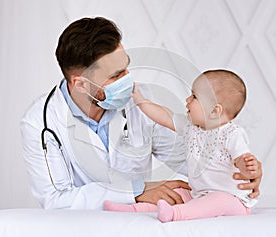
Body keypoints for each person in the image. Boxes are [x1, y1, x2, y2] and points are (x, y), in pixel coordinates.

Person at [20, 17, 262, 210]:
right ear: (81, 84)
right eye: (115, 75)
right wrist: (136, 191)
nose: (127, 79)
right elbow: (55, 201)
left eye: (125, 67)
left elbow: (191, 158)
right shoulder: (40, 123)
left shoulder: (142, 103)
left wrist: (238, 174)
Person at [104, 69, 259, 222]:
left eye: (194, 97)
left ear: (214, 111)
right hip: (199, 193)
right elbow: (165, 117)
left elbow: (241, 158)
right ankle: (132, 209)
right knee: (176, 193)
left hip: (232, 200)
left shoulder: (232, 134)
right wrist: (141, 101)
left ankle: (176, 214)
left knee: (217, 200)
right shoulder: (191, 127)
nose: (187, 100)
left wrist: (247, 167)